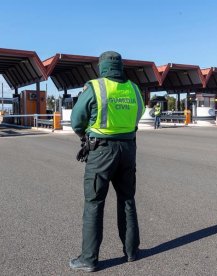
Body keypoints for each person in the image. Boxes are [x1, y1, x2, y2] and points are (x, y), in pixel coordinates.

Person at [69, 51, 145, 272]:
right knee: (127, 200)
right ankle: (131, 252)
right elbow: (138, 114)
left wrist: (86, 135)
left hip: (101, 151)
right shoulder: (133, 88)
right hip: (128, 149)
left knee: (94, 203)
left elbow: (76, 120)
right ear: (120, 67)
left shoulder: (95, 87)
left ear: (101, 67)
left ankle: (89, 259)